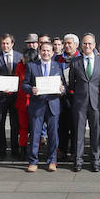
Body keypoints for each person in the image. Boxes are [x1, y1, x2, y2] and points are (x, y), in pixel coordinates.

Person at [22, 40, 66, 172]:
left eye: (48, 50)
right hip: (37, 104)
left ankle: (52, 160)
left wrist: (62, 89)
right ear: (39, 52)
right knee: (35, 134)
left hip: (53, 104)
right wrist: (31, 89)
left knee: (53, 134)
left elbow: (63, 84)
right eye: (43, 50)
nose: (46, 52)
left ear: (53, 53)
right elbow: (24, 85)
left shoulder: (58, 66)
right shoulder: (31, 66)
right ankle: (33, 161)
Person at [67, 33, 100, 172]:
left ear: (94, 45)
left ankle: (96, 161)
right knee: (78, 133)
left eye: (90, 43)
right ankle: (78, 161)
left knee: (96, 133)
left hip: (97, 102)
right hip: (80, 103)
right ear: (81, 45)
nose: (87, 46)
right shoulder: (75, 61)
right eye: (85, 43)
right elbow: (71, 84)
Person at [0, 33, 22, 160]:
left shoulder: (20, 57)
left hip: (16, 96)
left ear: (12, 44)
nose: (5, 45)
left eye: (7, 43)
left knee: (15, 124)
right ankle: (1, 149)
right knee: (0, 123)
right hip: (1, 96)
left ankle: (15, 149)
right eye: (3, 43)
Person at [13, 33, 39, 161]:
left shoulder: (37, 67)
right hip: (22, 102)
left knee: (35, 127)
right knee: (23, 127)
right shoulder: (19, 66)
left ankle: (35, 150)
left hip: (35, 102)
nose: (23, 59)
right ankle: (22, 149)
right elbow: (16, 82)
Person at [56, 33, 81, 161]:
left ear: (76, 45)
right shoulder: (57, 59)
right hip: (61, 97)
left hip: (77, 97)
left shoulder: (81, 59)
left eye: (69, 43)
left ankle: (74, 151)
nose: (66, 46)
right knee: (62, 125)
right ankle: (62, 149)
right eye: (65, 43)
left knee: (76, 126)